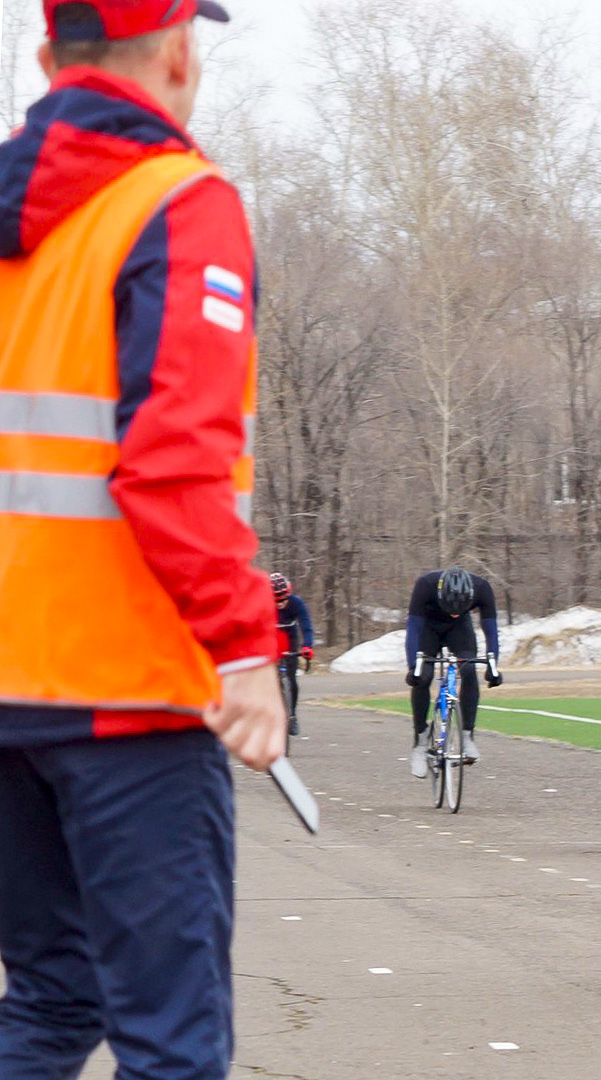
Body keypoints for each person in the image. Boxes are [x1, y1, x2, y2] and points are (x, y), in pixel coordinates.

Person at [0, 3, 286, 1077]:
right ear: (176, 51)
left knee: (50, 999)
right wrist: (244, 648)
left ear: (48, 61)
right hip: (129, 690)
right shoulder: (178, 203)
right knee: (172, 1038)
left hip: (9, 688)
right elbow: (171, 463)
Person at [403, 568, 502, 776]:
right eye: (451, 608)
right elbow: (413, 628)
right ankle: (420, 743)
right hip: (427, 628)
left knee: (468, 670)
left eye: (460, 608)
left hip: (459, 630)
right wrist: (414, 666)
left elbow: (491, 630)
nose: (454, 611)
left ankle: (467, 737)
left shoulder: (482, 588)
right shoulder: (425, 585)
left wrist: (493, 666)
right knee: (423, 677)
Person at [270, 571, 313, 735]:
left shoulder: (296, 603)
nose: (280, 603)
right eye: (276, 600)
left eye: (283, 599)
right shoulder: (263, 603)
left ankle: (292, 715)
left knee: (291, 677)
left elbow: (306, 626)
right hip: (270, 639)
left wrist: (307, 646)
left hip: (290, 639)